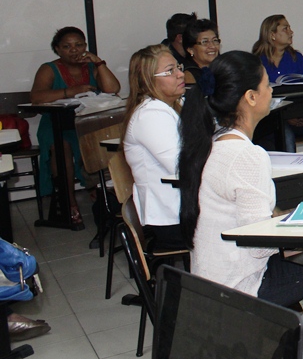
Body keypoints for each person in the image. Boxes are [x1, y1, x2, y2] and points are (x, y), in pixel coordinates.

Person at [178, 51, 303, 359]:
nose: (272, 91)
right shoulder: (246, 155)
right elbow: (259, 245)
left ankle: (301, 355)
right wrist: (301, 236)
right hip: (243, 284)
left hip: (210, 277)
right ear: (251, 97)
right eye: (268, 85)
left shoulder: (210, 143)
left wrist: (285, 224)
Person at [29, 26, 121, 228]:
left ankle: (104, 193)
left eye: (79, 45)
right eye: (67, 46)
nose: (74, 50)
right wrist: (70, 91)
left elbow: (113, 89)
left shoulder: (91, 66)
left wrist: (99, 62)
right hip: (56, 126)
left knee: (106, 141)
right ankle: (69, 201)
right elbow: (36, 97)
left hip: (86, 123)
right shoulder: (49, 68)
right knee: (62, 147)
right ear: (57, 49)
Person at [121, 44, 188, 250]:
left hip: (181, 210)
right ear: (148, 80)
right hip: (169, 218)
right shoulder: (151, 114)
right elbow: (181, 167)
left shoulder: (172, 105)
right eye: (170, 71)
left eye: (178, 67)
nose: (180, 75)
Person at [253, 14, 303, 152]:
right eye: (285, 28)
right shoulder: (257, 61)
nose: (291, 32)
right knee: (284, 136)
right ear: (272, 34)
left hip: (299, 114)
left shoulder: (296, 57)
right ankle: (290, 173)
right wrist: (287, 118)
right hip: (270, 118)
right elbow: (255, 97)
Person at [182, 18, 220, 85]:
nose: (212, 46)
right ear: (190, 50)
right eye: (204, 42)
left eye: (215, 40)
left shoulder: (223, 69)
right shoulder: (188, 76)